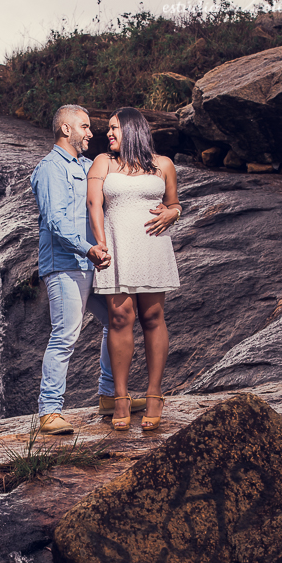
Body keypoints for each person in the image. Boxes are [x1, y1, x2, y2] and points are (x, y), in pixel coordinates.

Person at [31, 104, 146, 435]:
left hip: (94, 262)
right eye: (85, 127)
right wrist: (88, 249)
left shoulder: (88, 166)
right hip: (68, 264)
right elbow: (55, 221)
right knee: (65, 334)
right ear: (66, 130)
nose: (91, 133)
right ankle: (49, 411)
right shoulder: (51, 168)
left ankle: (109, 395)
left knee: (117, 320)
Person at [87, 106, 181, 432]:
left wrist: (173, 214)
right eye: (108, 129)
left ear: (133, 129)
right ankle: (121, 398)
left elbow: (174, 204)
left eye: (114, 128)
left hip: (152, 247)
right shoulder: (104, 162)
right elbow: (94, 203)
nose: (108, 134)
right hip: (117, 248)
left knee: (153, 318)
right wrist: (100, 244)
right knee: (120, 319)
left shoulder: (164, 164)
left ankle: (154, 395)